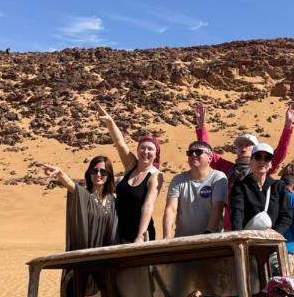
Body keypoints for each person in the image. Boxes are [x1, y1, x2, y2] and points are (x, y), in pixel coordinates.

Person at [193, 100, 294, 229]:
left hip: (258, 229)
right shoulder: (229, 169)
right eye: (240, 145)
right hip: (232, 228)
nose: (243, 148)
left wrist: (288, 125)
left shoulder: (261, 167)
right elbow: (208, 153)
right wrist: (201, 127)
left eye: (247, 145)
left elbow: (280, 153)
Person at [97, 105, 163, 243]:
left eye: (150, 149)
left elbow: (148, 206)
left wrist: (140, 235)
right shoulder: (131, 165)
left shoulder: (155, 176)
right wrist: (110, 122)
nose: (145, 152)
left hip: (140, 235)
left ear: (156, 154)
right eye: (142, 148)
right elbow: (120, 143)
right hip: (118, 232)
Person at [39, 155, 118, 250]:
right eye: (94, 171)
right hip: (84, 257)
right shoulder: (84, 196)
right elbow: (71, 185)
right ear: (89, 173)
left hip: (107, 257)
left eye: (103, 172)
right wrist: (60, 173)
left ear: (109, 175)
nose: (98, 174)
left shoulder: (113, 200)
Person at [163, 141, 228, 238]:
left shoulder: (218, 177)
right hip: (182, 240)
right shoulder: (178, 179)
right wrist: (167, 237)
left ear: (210, 157)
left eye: (198, 152)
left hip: (212, 240)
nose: (193, 155)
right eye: (190, 153)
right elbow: (171, 209)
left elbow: (217, 208)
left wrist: (208, 234)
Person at [230, 143, 292, 234]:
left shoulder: (278, 187)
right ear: (251, 161)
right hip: (247, 240)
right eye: (258, 157)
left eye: (267, 158)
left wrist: (275, 235)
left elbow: (286, 216)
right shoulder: (240, 186)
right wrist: (239, 237)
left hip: (273, 241)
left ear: (271, 164)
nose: (262, 161)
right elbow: (237, 214)